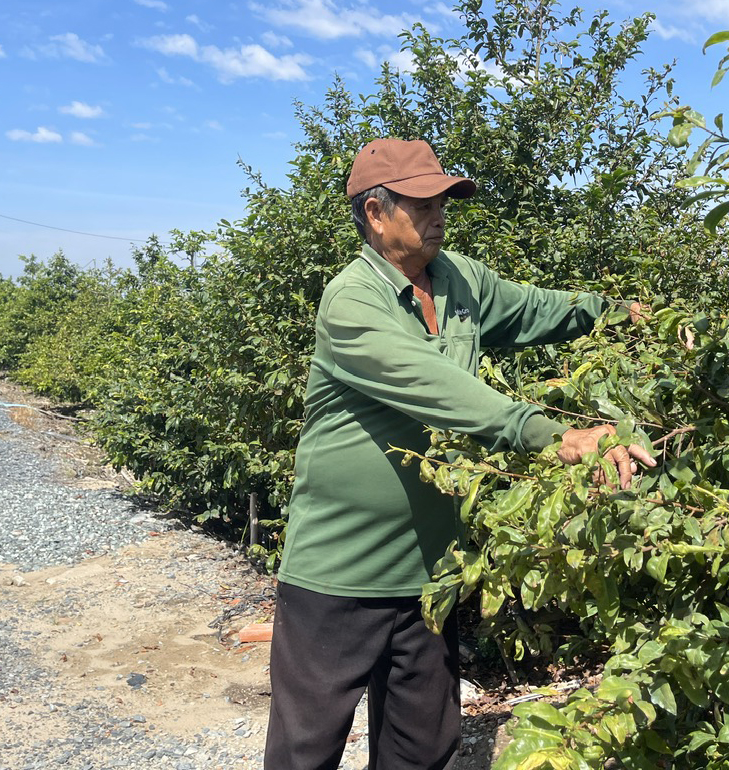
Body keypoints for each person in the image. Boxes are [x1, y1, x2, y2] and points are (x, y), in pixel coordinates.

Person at [264, 138, 655, 769]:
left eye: (442, 198)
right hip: (338, 578)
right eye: (422, 202)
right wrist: (553, 434)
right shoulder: (351, 302)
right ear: (375, 213)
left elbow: (537, 309)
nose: (439, 212)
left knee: (423, 750)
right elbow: (436, 387)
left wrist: (620, 313)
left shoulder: (459, 279)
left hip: (432, 577)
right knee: (305, 752)